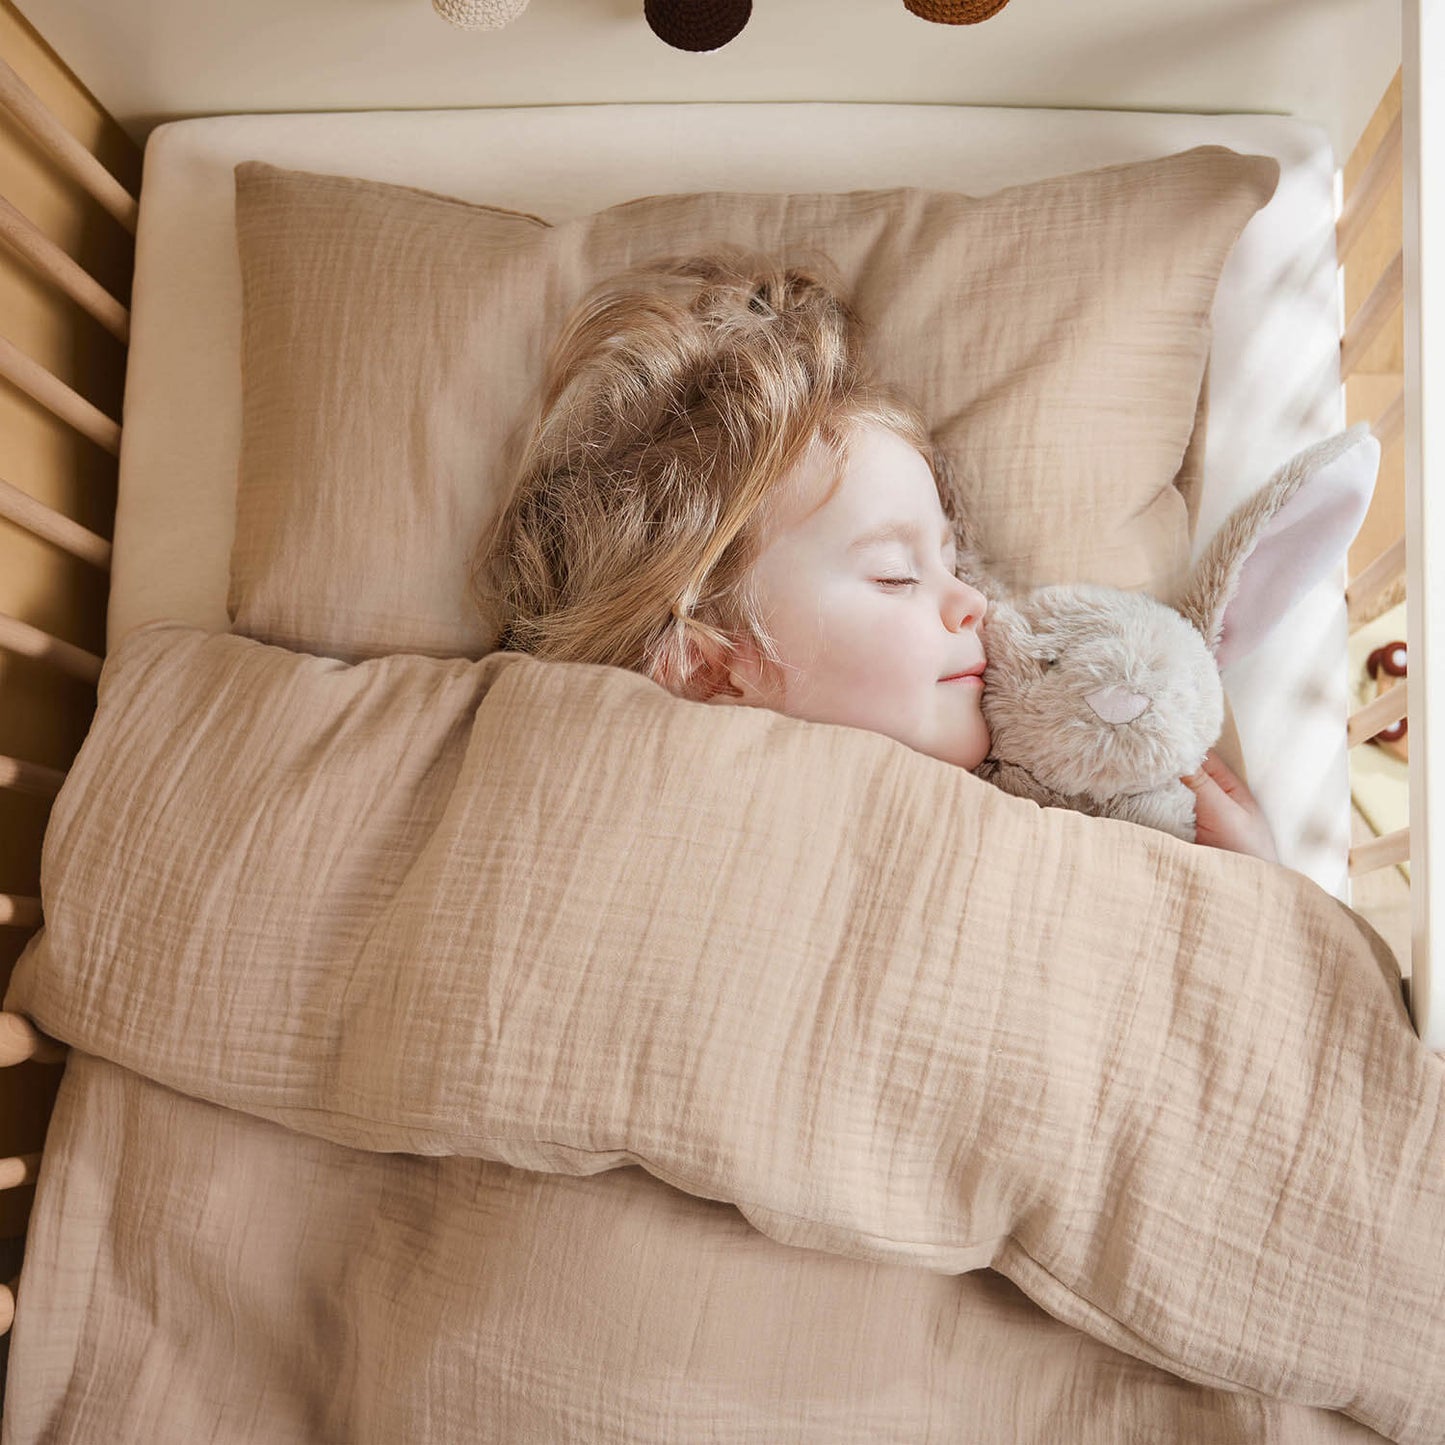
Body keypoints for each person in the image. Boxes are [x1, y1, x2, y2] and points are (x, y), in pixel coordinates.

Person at [471, 250, 1275, 862]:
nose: (975, 605)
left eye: (954, 566)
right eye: (895, 575)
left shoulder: (1054, 824)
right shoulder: (647, 810)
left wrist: (1246, 883)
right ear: (715, 668)